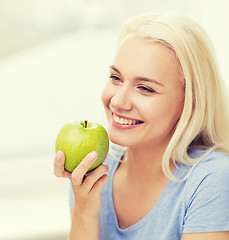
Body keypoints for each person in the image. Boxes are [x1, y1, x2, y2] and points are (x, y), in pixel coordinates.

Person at [54, 12, 229, 240]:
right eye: (115, 78)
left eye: (145, 88)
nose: (117, 101)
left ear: (191, 102)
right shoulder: (95, 165)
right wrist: (84, 210)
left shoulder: (211, 179)